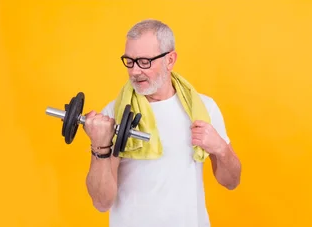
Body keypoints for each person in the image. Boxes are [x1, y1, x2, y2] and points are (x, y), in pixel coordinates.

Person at [82, 19, 242, 227]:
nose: (134, 71)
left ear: (170, 60)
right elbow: (102, 202)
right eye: (129, 61)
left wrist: (220, 147)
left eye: (144, 62)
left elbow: (231, 182)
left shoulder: (203, 109)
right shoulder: (115, 114)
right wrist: (100, 147)